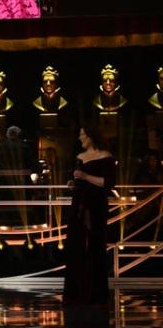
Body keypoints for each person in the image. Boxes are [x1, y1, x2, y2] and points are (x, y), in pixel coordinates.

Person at [63, 124, 116, 306]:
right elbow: (79, 179)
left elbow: (108, 183)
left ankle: (95, 292)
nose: (80, 138)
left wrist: (85, 177)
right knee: (77, 244)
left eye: (82, 135)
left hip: (95, 205)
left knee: (94, 244)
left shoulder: (105, 156)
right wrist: (74, 182)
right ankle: (76, 292)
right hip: (79, 204)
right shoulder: (79, 157)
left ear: (91, 137)